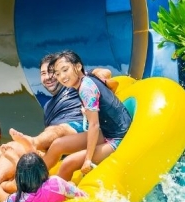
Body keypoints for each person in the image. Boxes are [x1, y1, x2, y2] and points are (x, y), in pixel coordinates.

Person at [9, 54, 118, 155]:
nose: (48, 77)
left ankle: (33, 142)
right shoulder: (48, 107)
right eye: (43, 73)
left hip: (79, 129)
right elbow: (49, 136)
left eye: (52, 72)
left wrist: (100, 75)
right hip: (60, 141)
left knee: (59, 129)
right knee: (13, 148)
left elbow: (105, 72)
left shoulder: (74, 84)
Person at [47, 50, 132, 180]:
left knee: (68, 163)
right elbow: (112, 87)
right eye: (58, 74)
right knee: (58, 144)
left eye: (65, 70)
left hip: (119, 137)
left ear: (78, 66)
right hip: (109, 130)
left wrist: (88, 159)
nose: (62, 77)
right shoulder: (88, 76)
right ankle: (34, 180)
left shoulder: (86, 89)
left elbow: (94, 125)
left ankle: (56, 191)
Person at [0, 152, 87, 202]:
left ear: (18, 177)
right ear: (43, 170)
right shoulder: (56, 183)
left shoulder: (15, 200)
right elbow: (82, 196)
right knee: (71, 184)